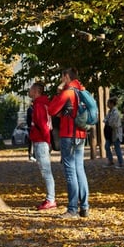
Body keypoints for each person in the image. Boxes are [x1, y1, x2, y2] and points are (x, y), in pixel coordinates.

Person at [47, 68, 90, 218]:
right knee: (80, 169)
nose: (60, 79)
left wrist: (58, 92)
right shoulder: (82, 91)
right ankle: (84, 207)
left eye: (61, 76)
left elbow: (52, 110)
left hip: (68, 134)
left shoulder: (67, 92)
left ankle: (72, 209)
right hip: (81, 134)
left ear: (66, 77)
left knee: (70, 172)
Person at [28, 81, 56, 211]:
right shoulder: (43, 104)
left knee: (46, 171)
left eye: (31, 89)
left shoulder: (39, 105)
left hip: (41, 141)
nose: (29, 91)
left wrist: (47, 140)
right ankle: (50, 198)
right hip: (41, 140)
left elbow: (43, 125)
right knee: (45, 171)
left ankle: (51, 199)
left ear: (37, 91)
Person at [104, 97, 124, 168]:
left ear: (112, 103)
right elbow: (105, 119)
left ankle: (121, 163)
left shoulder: (116, 113)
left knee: (117, 147)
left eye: (108, 103)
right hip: (110, 133)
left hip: (116, 132)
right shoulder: (110, 112)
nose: (107, 104)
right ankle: (110, 160)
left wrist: (107, 121)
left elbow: (111, 122)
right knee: (106, 146)